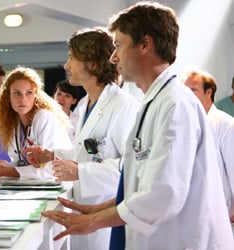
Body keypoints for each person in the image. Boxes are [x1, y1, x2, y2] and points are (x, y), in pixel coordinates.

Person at [40, 2, 234, 249]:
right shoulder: (152, 102)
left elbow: (163, 194)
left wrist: (95, 221)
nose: (113, 57)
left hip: (185, 241)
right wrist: (96, 209)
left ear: (145, 44)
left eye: (119, 45)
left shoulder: (175, 105)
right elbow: (137, 181)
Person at [23, 28, 139, 250]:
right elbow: (88, 151)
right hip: (83, 210)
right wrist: (51, 155)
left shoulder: (124, 107)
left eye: (72, 58)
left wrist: (80, 172)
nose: (67, 66)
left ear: (93, 64)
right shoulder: (86, 104)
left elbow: (131, 169)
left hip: (107, 216)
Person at [0, 66, 72, 181]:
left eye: (29, 93)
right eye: (17, 93)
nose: (23, 99)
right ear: (8, 97)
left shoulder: (44, 117)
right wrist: (1, 166)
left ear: (36, 96)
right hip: (37, 184)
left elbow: (49, 169)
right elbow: (21, 163)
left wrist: (2, 171)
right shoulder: (13, 121)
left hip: (58, 182)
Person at [183, 69, 234, 220]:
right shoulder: (186, 124)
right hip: (194, 211)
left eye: (193, 90)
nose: (188, 95)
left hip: (221, 212)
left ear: (208, 92)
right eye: (185, 90)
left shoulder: (226, 125)